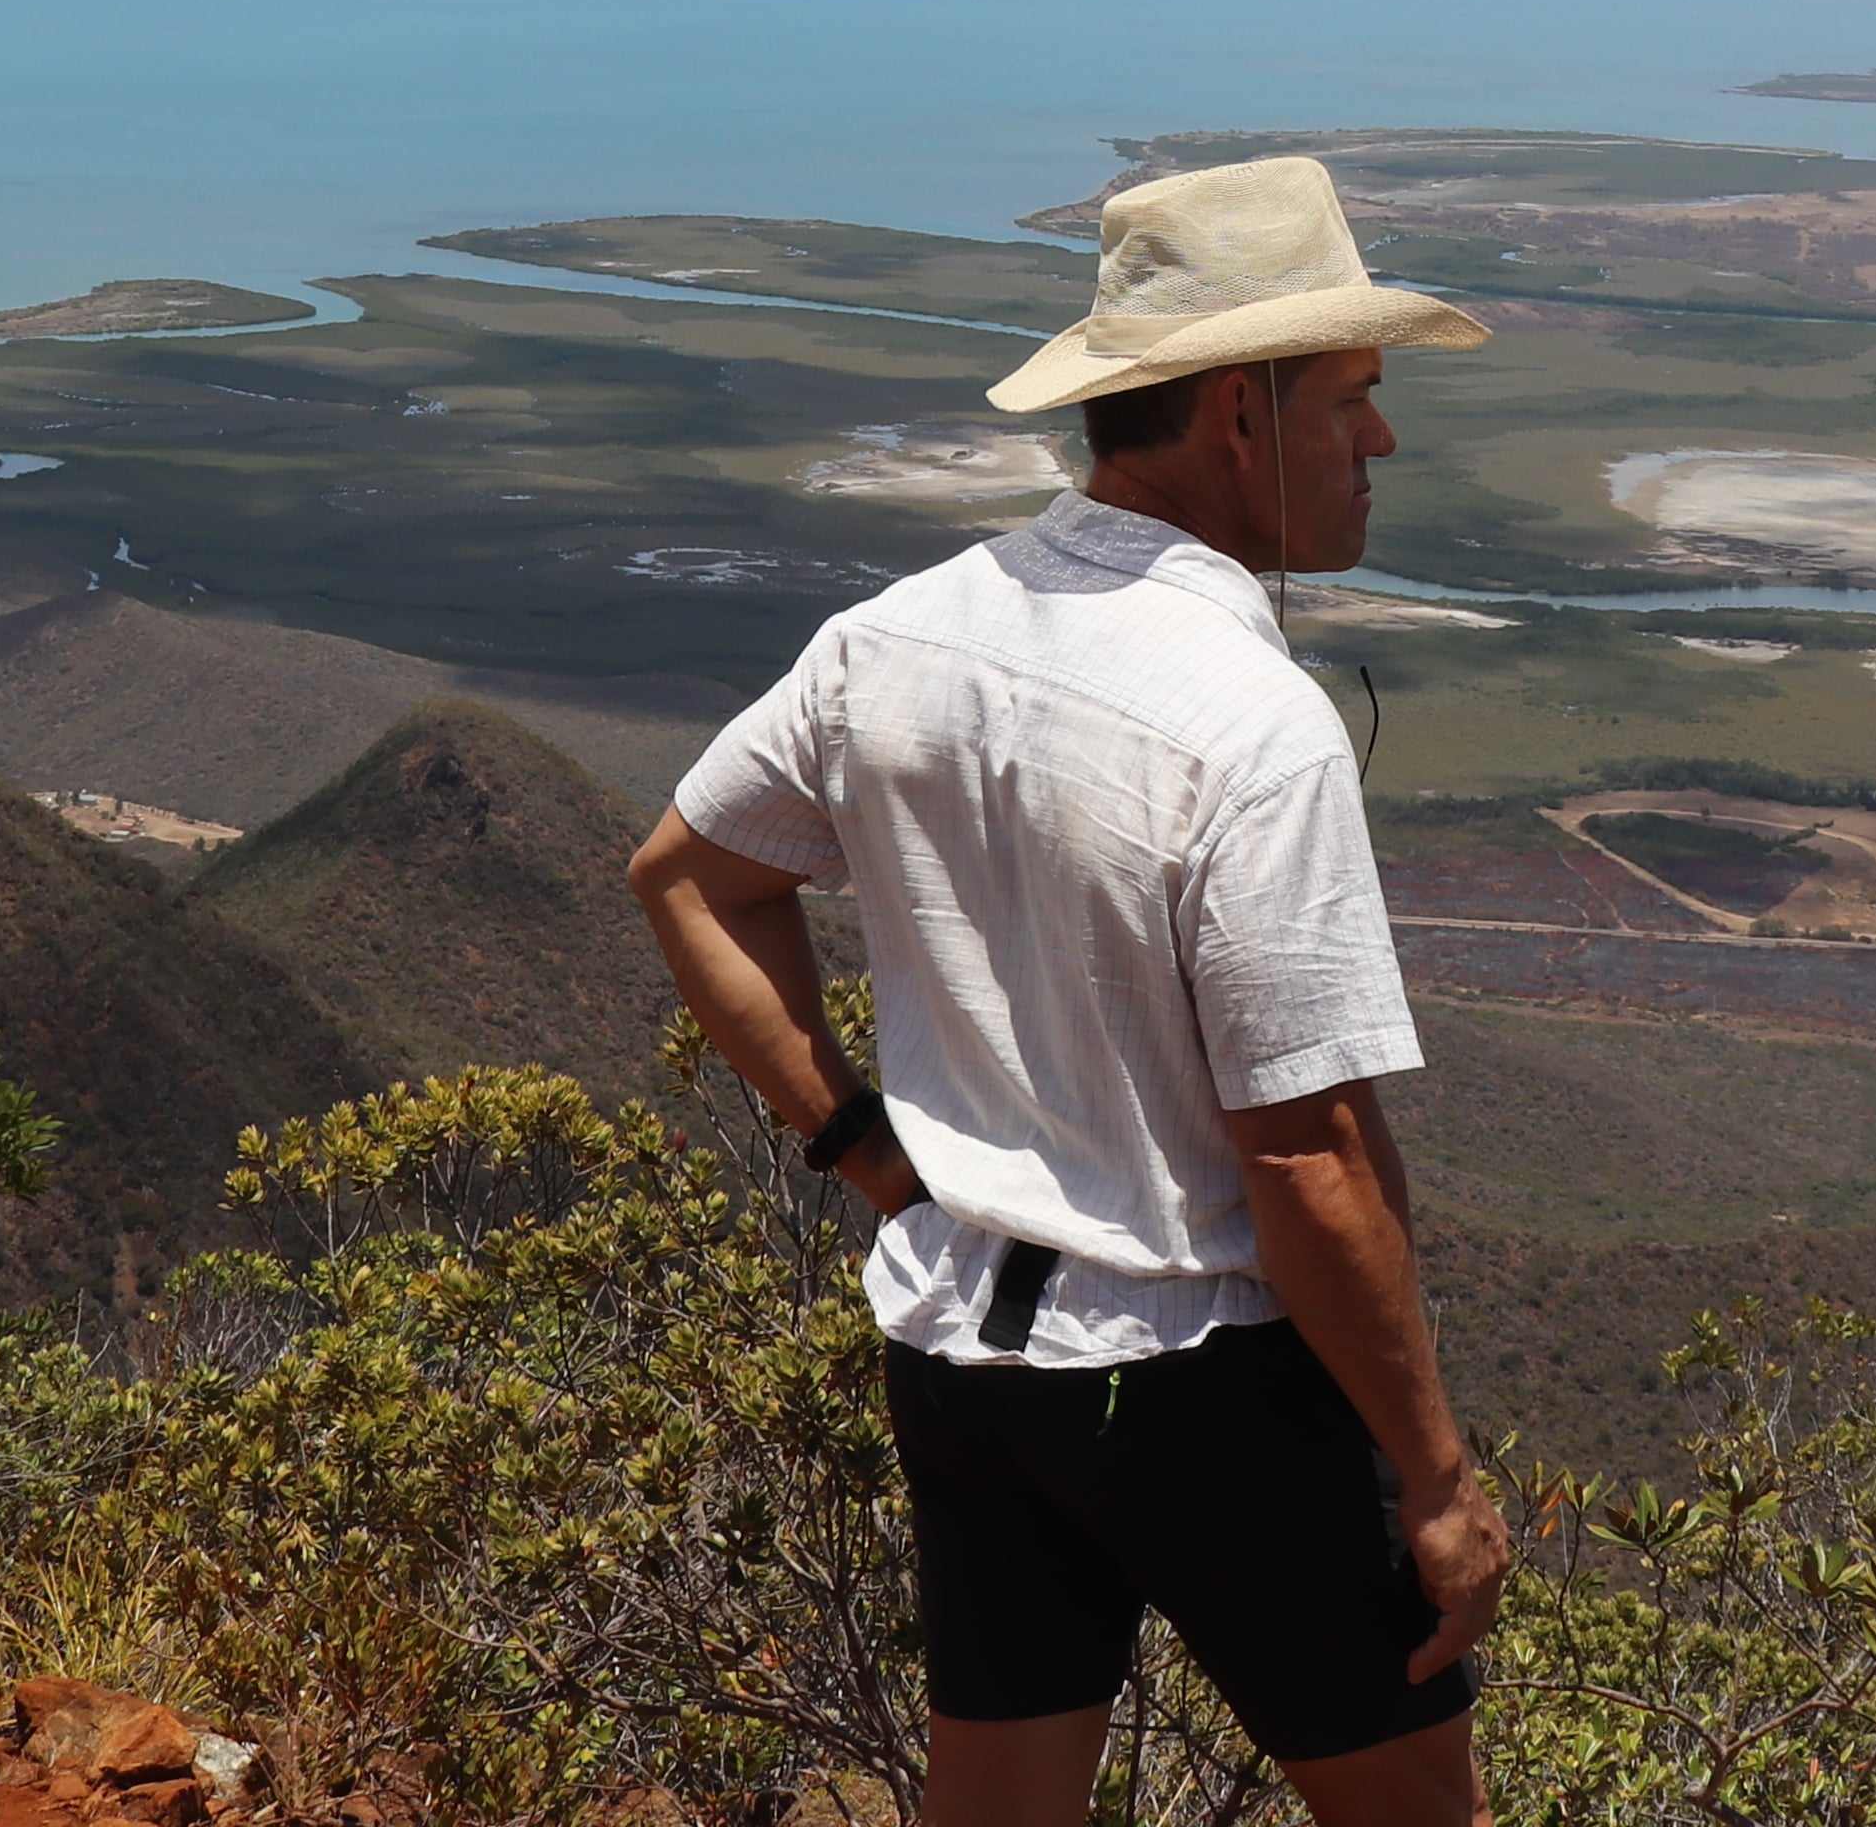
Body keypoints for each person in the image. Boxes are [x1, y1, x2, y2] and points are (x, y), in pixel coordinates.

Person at [628, 151, 1511, 1827]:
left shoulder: (898, 635)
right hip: (1203, 1372)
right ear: (1241, 416)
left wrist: (869, 1156)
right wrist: (1440, 1474)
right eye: (1355, 398)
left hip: (962, 1358)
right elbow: (1308, 1157)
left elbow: (688, 871)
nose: (1379, 442)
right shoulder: (1250, 726)